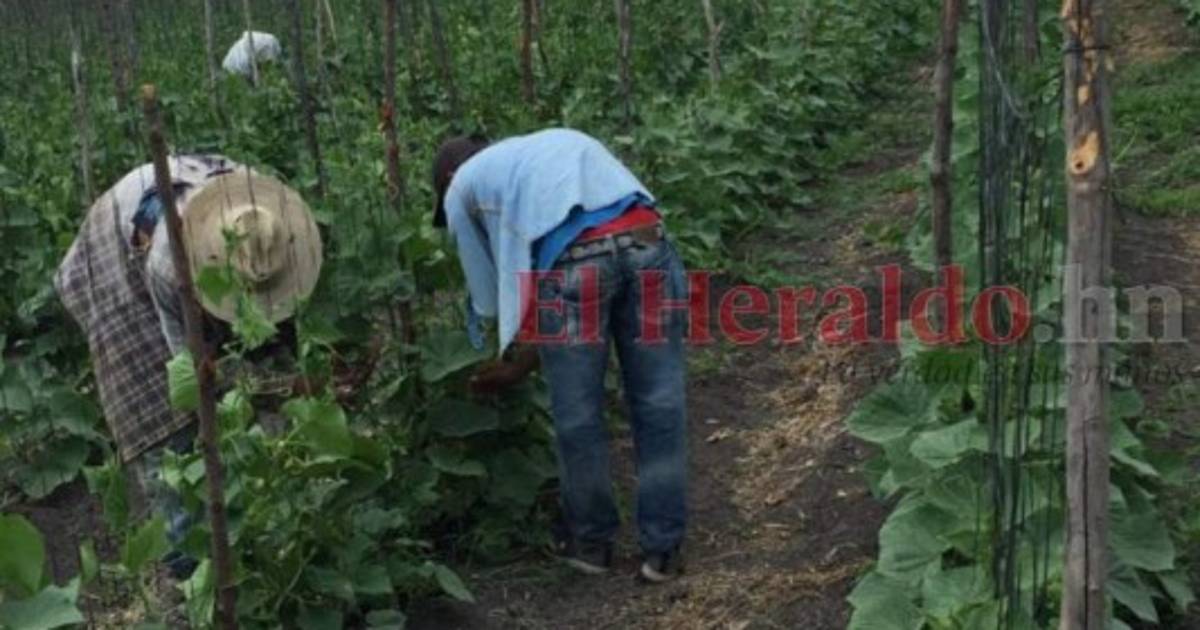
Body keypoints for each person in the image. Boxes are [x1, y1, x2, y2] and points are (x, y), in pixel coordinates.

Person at [431, 128, 689, 582]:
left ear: (449, 177)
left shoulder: (461, 186)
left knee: (578, 414)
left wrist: (503, 361)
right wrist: (526, 358)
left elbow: (490, 297)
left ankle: (592, 544)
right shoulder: (540, 149)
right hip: (646, 238)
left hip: (575, 262)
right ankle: (663, 549)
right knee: (659, 400)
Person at [54, 155, 323, 577]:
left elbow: (279, 330)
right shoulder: (170, 264)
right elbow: (197, 373)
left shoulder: (273, 223)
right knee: (168, 435)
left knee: (244, 406)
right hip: (113, 266)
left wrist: (294, 378)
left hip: (179, 208)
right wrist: (285, 388)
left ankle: (248, 556)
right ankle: (192, 576)